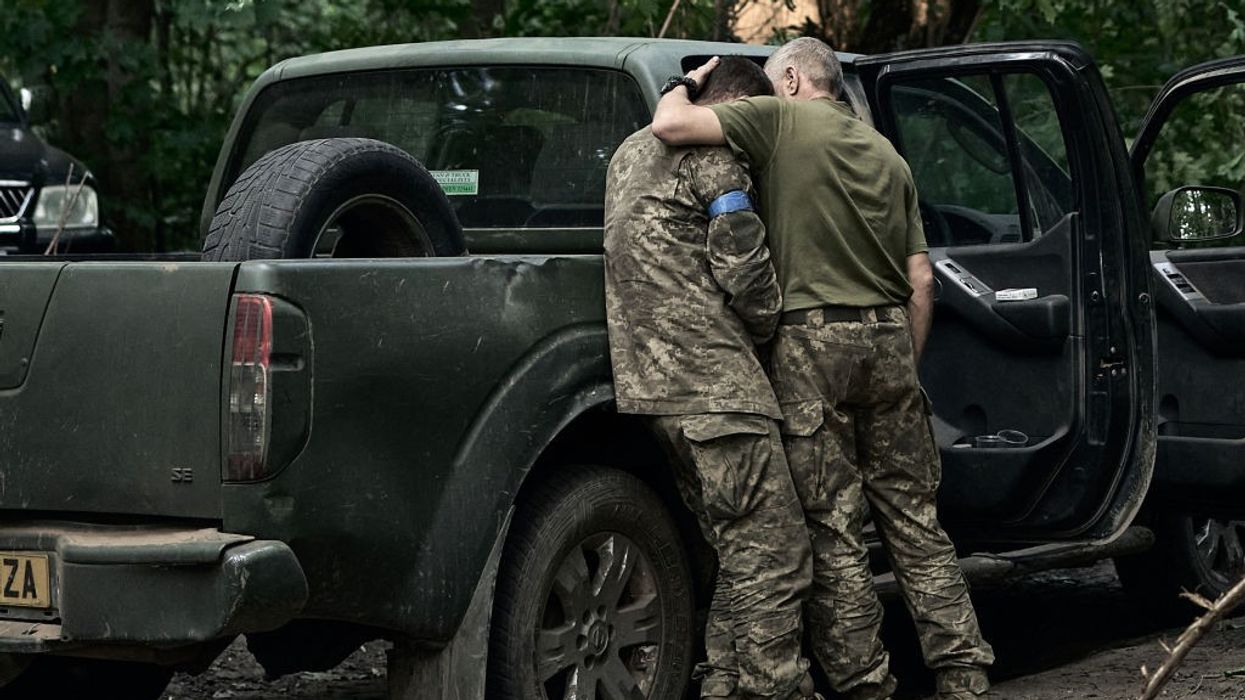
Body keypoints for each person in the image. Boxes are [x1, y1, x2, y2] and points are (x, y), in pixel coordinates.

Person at [650, 39, 995, 700]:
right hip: (889, 340)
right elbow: (920, 280)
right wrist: (902, 368)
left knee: (833, 529)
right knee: (916, 524)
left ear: (788, 77)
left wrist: (686, 80)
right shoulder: (887, 155)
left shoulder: (779, 119)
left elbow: (670, 124)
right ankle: (963, 673)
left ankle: (866, 684)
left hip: (809, 343)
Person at [604, 56, 816, 700]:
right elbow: (746, 273)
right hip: (716, 388)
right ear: (732, 112)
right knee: (778, 554)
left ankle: (726, 681)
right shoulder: (717, 160)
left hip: (650, 389)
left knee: (734, 549)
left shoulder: (626, 155)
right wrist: (772, 324)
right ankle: (773, 688)